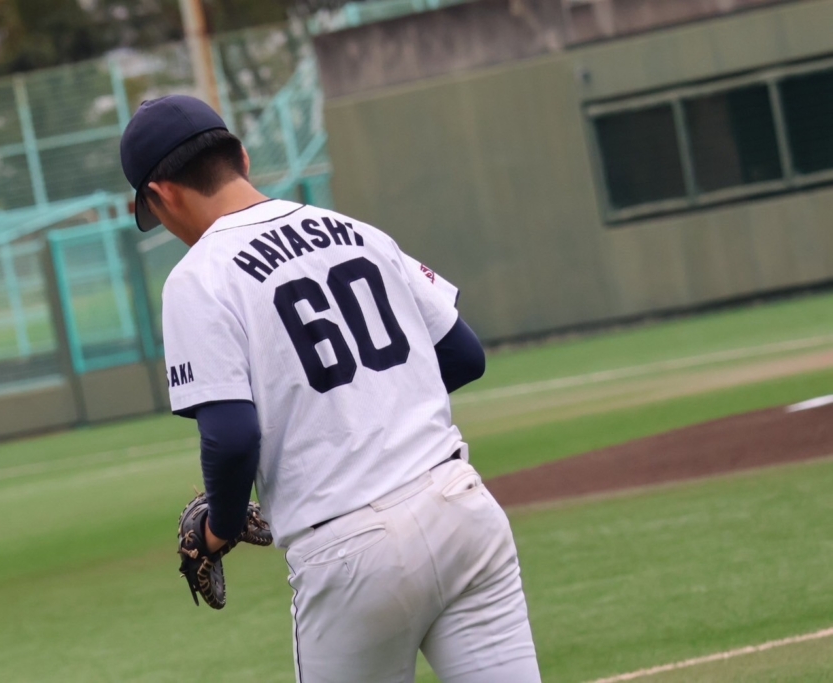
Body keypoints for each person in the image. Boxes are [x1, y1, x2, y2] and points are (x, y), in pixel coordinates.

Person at [120, 96, 541, 682]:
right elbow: (463, 354)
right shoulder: (354, 231)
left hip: (350, 548)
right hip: (460, 507)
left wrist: (219, 528)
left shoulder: (199, 278)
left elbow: (231, 438)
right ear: (241, 158)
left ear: (161, 194)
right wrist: (368, 409)